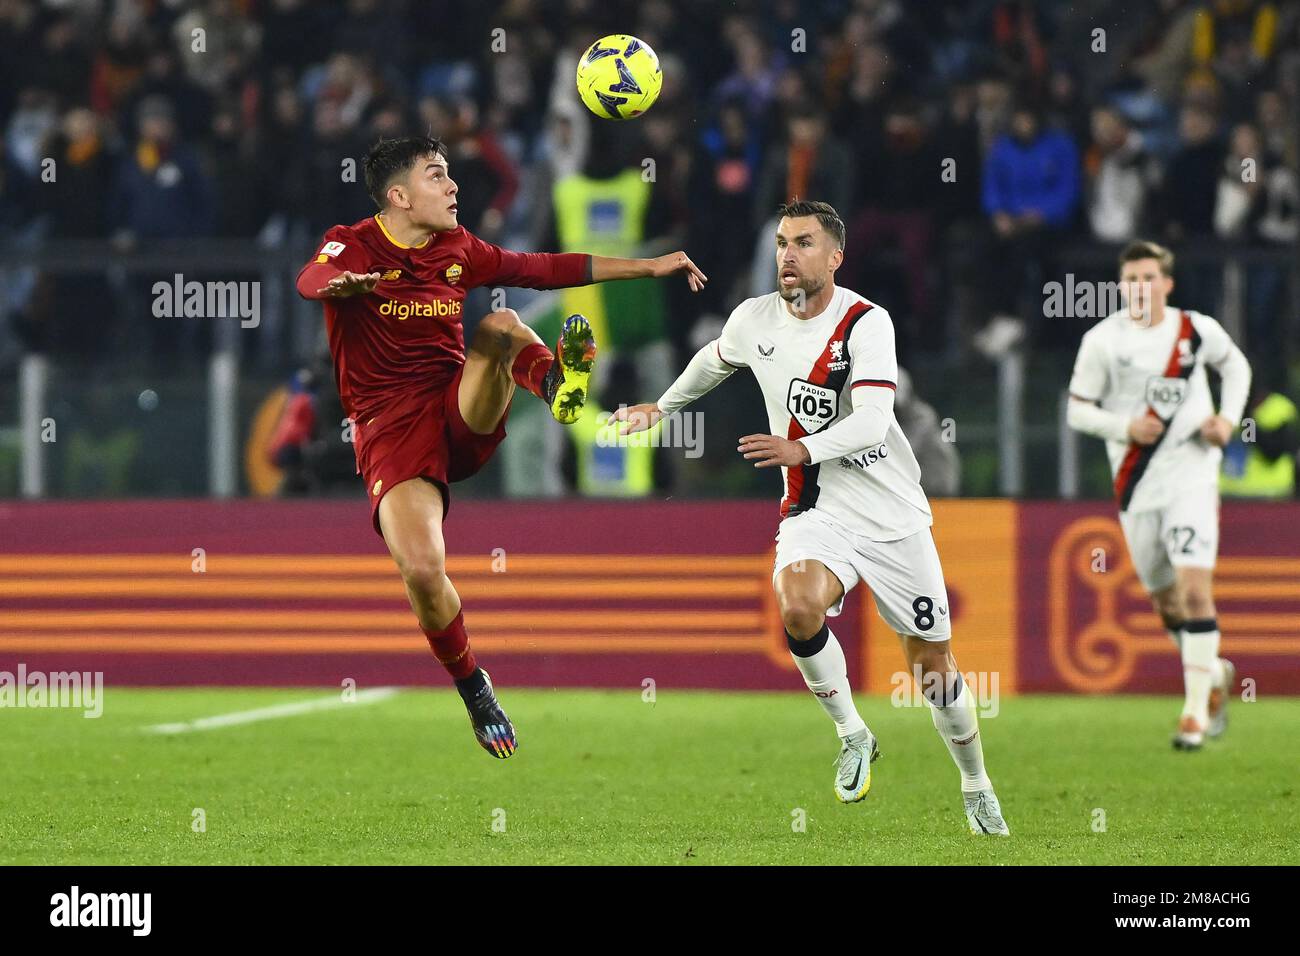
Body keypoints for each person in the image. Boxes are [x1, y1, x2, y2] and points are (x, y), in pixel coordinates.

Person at [296, 136, 705, 759]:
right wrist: (339, 285)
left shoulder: (459, 250)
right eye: (437, 176)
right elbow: (310, 276)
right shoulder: (352, 242)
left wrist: (647, 266)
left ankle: (557, 386)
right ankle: (473, 686)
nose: (454, 186)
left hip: (460, 405)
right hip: (389, 431)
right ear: (399, 196)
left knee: (502, 325)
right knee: (424, 572)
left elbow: (546, 268)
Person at [608, 200, 1009, 836]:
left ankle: (975, 781)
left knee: (934, 670)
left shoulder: (865, 323)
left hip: (892, 515)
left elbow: (875, 420)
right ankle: (853, 733)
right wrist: (662, 406)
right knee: (796, 602)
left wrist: (800, 447)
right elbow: (716, 359)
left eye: (803, 243)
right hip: (814, 507)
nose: (787, 255)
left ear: (834, 256)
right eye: (781, 243)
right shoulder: (754, 318)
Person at [1066, 240, 1251, 750]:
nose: (1140, 288)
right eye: (1131, 280)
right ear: (1121, 286)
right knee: (1167, 601)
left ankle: (1193, 714)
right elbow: (1077, 411)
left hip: (1192, 474)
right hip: (1136, 483)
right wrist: (1125, 425)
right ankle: (1212, 673)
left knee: (1195, 590)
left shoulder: (1195, 329)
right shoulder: (1103, 341)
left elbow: (1236, 367)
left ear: (1167, 283)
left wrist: (1227, 420)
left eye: (1149, 278)